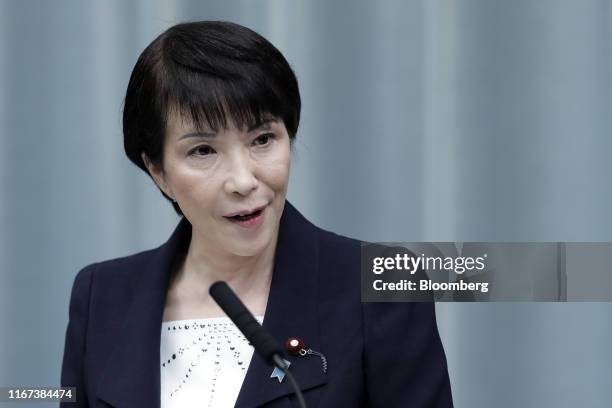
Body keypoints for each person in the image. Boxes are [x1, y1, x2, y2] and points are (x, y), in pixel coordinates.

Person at [60, 21, 453, 407]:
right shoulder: (103, 297)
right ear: (158, 171)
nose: (243, 181)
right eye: (203, 151)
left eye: (263, 139)